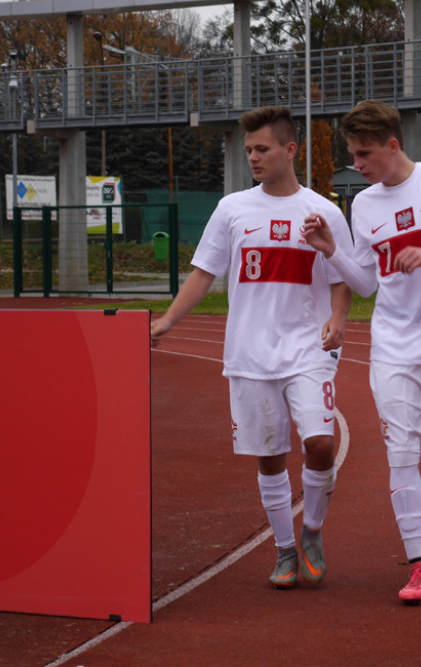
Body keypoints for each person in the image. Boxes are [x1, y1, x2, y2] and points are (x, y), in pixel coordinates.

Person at [301, 99, 421, 605]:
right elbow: (368, 283)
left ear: (394, 145)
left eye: (364, 153)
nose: (358, 164)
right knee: (401, 452)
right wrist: (332, 251)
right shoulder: (364, 205)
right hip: (393, 345)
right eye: (352, 155)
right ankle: (419, 564)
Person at [150, 106, 354, 589]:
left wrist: (338, 320)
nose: (253, 158)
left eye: (262, 149)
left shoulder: (323, 210)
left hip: (308, 350)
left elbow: (342, 276)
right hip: (249, 353)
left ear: (290, 150)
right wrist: (170, 320)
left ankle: (312, 531)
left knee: (321, 443)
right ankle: (284, 549)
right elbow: (204, 273)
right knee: (270, 456)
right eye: (248, 151)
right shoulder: (232, 209)